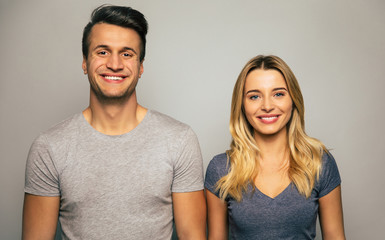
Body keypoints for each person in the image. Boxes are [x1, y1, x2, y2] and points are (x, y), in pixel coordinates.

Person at [22, 5, 206, 240]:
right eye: (102, 52)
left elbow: (193, 236)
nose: (115, 64)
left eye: (127, 53)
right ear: (84, 63)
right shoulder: (49, 147)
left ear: (140, 67)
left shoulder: (179, 140)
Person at [205, 55, 345, 239]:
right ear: (242, 105)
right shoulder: (221, 169)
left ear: (293, 100)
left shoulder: (319, 163)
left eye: (278, 94)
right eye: (254, 96)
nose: (267, 106)